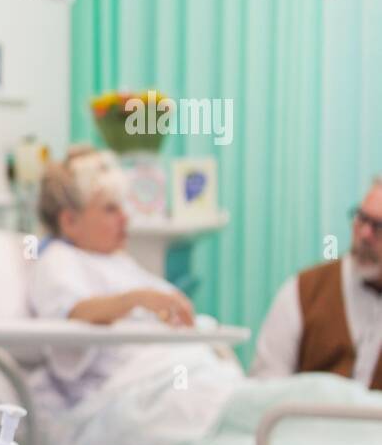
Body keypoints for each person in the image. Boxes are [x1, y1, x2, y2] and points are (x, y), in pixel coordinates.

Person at [30, 147, 211, 407]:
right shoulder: (58, 259)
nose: (125, 217)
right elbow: (71, 313)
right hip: (131, 393)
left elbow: (169, 303)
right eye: (110, 209)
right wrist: (136, 301)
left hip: (172, 375)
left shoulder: (117, 262)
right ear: (70, 221)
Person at [251, 177, 382, 389]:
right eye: (361, 218)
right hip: (306, 420)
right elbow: (265, 383)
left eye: (378, 226)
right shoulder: (303, 290)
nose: (365, 234)